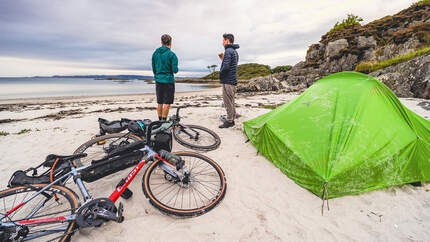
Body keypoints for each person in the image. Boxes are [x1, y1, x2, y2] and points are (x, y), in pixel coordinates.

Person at [152, 34, 178, 121]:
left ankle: (160, 121)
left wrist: (158, 75)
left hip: (158, 80)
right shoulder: (172, 55)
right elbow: (175, 70)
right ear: (170, 42)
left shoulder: (155, 54)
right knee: (167, 103)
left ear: (161, 42)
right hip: (168, 81)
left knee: (159, 102)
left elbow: (154, 68)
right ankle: (163, 122)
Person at [218, 33, 239, 128]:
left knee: (227, 102)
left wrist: (220, 74)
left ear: (227, 41)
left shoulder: (228, 51)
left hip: (228, 81)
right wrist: (223, 59)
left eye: (223, 40)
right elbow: (231, 65)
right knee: (231, 100)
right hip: (232, 80)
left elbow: (226, 67)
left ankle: (230, 121)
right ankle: (233, 116)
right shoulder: (234, 51)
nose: (222, 42)